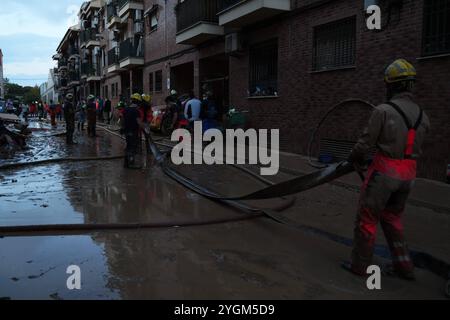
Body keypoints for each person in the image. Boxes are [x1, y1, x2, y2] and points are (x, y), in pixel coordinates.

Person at [343, 59, 430, 280]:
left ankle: (360, 266)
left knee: (367, 219)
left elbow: (365, 143)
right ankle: (404, 266)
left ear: (391, 85)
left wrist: (353, 158)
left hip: (385, 172)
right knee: (393, 218)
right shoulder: (423, 115)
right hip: (409, 174)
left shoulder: (383, 111)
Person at [121, 93, 144, 168]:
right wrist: (144, 128)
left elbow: (122, 119)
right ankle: (130, 163)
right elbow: (139, 122)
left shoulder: (126, 109)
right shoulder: (136, 111)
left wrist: (123, 127)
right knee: (132, 146)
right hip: (133, 131)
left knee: (128, 145)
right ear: (137, 102)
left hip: (127, 131)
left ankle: (126, 163)